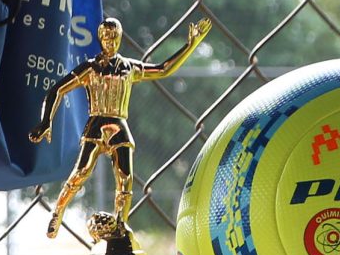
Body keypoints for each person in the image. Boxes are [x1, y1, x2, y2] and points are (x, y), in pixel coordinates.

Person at [30, 17, 210, 242]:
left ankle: (121, 223)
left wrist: (190, 45)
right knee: (81, 172)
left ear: (120, 38)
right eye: (106, 37)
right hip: (96, 124)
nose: (110, 42)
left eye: (114, 37)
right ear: (100, 39)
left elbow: (163, 69)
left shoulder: (129, 67)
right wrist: (46, 121)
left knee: (125, 178)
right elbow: (57, 90)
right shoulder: (91, 67)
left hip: (118, 125)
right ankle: (58, 212)